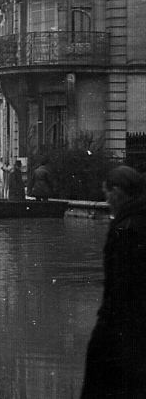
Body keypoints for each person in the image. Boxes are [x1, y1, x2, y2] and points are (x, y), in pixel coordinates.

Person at [81, 165, 146, 397]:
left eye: (107, 194)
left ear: (117, 191)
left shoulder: (125, 228)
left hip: (121, 329)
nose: (106, 200)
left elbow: (120, 286)